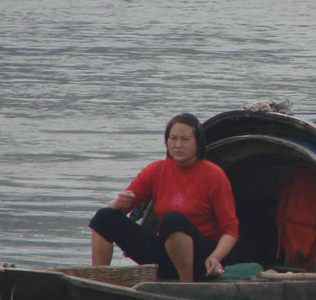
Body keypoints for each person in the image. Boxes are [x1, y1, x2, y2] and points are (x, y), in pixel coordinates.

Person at [89, 113, 239, 282]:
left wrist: (215, 257)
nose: (178, 145)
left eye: (185, 139)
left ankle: (186, 286)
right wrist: (118, 203)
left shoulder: (214, 175)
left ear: (198, 143)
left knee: (172, 219)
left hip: (201, 259)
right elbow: (120, 209)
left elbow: (230, 230)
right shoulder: (156, 170)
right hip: (166, 254)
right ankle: (98, 280)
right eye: (173, 138)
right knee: (104, 217)